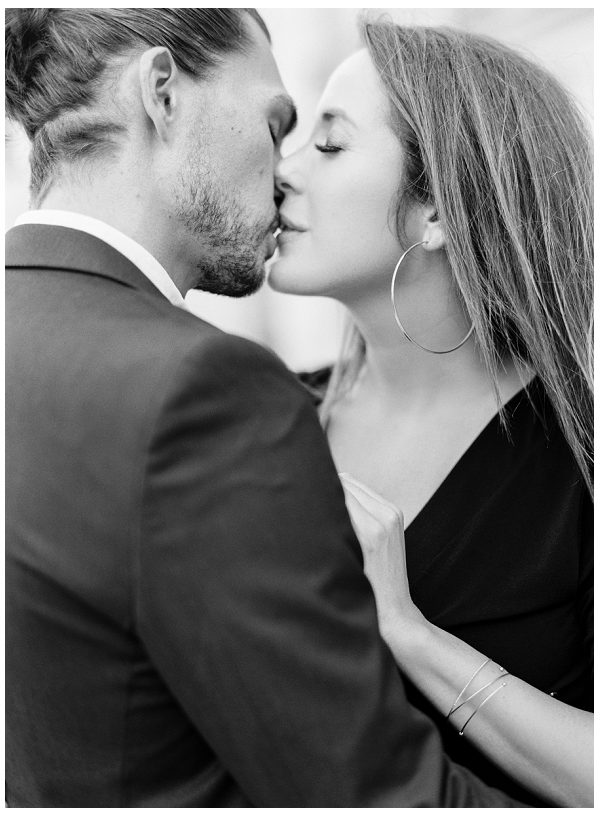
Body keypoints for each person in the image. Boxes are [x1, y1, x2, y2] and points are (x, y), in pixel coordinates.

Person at [5, 8, 522, 807]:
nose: (281, 170)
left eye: (324, 139)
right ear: (163, 92)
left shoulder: (10, 320)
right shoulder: (206, 388)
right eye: (277, 122)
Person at [268, 20, 593, 807]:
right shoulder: (273, 415)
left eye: (331, 145)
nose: (281, 171)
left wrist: (408, 634)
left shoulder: (581, 462)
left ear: (437, 211)